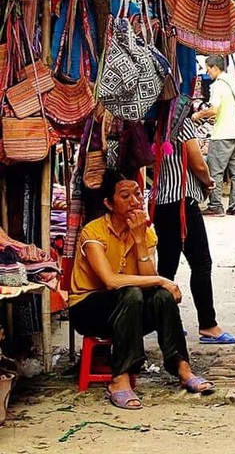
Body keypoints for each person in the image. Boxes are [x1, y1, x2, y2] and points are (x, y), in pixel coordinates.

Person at [69, 170, 215, 410]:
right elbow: (111, 282)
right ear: (108, 203)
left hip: (129, 309)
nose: (135, 202)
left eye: (137, 194)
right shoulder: (93, 232)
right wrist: (161, 279)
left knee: (160, 297)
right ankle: (121, 378)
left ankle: (183, 368)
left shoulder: (144, 231)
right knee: (133, 292)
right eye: (125, 196)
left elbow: (148, 280)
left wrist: (138, 240)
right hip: (88, 309)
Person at [152, 105, 235, 345]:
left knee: (167, 267)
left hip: (160, 201)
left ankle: (164, 322)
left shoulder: (155, 123)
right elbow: (197, 163)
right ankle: (208, 325)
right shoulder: (181, 122)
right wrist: (209, 180)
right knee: (201, 263)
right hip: (182, 203)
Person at [193, 55, 235, 217]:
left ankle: (216, 205)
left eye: (208, 69)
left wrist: (198, 115)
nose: (207, 72)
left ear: (215, 67)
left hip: (222, 134)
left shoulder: (218, 85)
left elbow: (214, 109)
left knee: (215, 171)